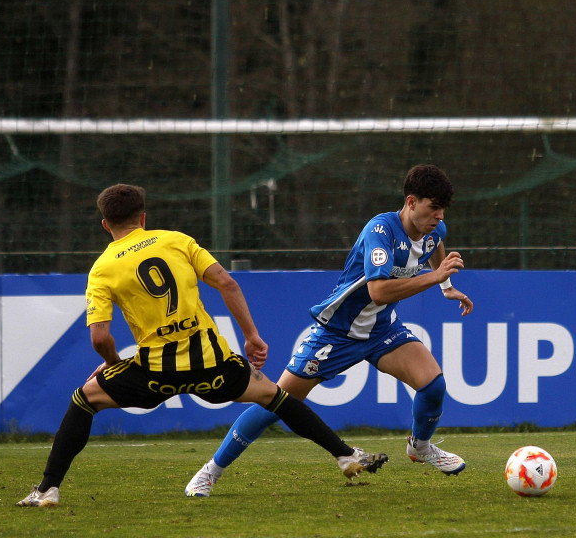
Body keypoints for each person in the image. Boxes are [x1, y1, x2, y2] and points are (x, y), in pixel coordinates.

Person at [17, 184, 388, 507]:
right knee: (277, 397)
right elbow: (226, 283)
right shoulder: (175, 241)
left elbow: (100, 337)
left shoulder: (102, 268)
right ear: (143, 218)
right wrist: (252, 335)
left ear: (105, 224)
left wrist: (114, 364)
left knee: (84, 400)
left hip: (154, 374)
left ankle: (48, 490)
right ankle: (343, 455)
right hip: (213, 365)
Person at [185, 164, 474, 497]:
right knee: (274, 402)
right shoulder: (381, 231)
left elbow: (435, 247)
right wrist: (434, 279)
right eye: (432, 207)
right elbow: (378, 291)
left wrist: (447, 286)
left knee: (433, 385)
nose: (438, 216)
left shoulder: (433, 229)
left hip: (381, 329)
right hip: (337, 332)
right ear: (411, 202)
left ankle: (420, 446)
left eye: (442, 210)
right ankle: (211, 471)